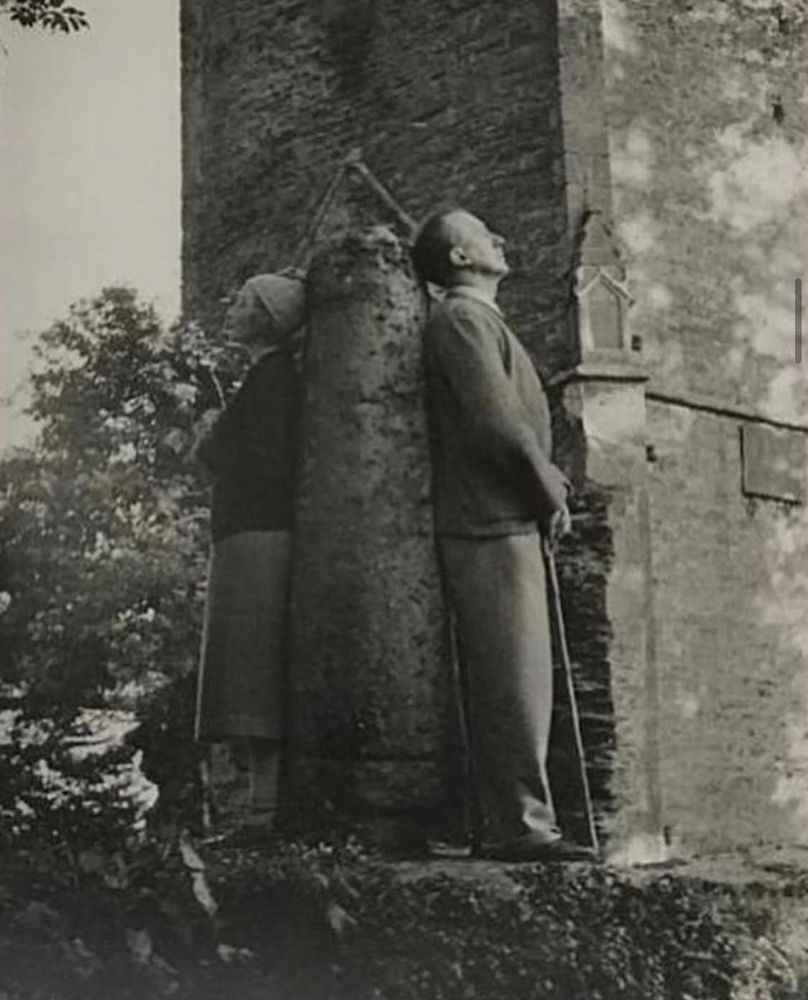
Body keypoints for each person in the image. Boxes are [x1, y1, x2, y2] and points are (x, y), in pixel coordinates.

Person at [412, 208, 593, 861]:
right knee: (511, 677)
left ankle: (523, 820)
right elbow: (496, 423)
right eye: (484, 233)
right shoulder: (460, 320)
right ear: (459, 258)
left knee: (524, 676)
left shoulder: (479, 320)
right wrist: (546, 489)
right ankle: (517, 825)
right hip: (488, 519)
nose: (501, 237)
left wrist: (543, 491)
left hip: (505, 515)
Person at [194, 271, 306, 831]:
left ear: (267, 318)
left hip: (259, 537)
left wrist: (211, 442)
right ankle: (258, 807)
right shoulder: (266, 378)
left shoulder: (274, 381)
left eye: (242, 303)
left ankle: (263, 810)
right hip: (247, 536)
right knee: (248, 668)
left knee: (254, 670)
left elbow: (261, 462)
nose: (230, 311)